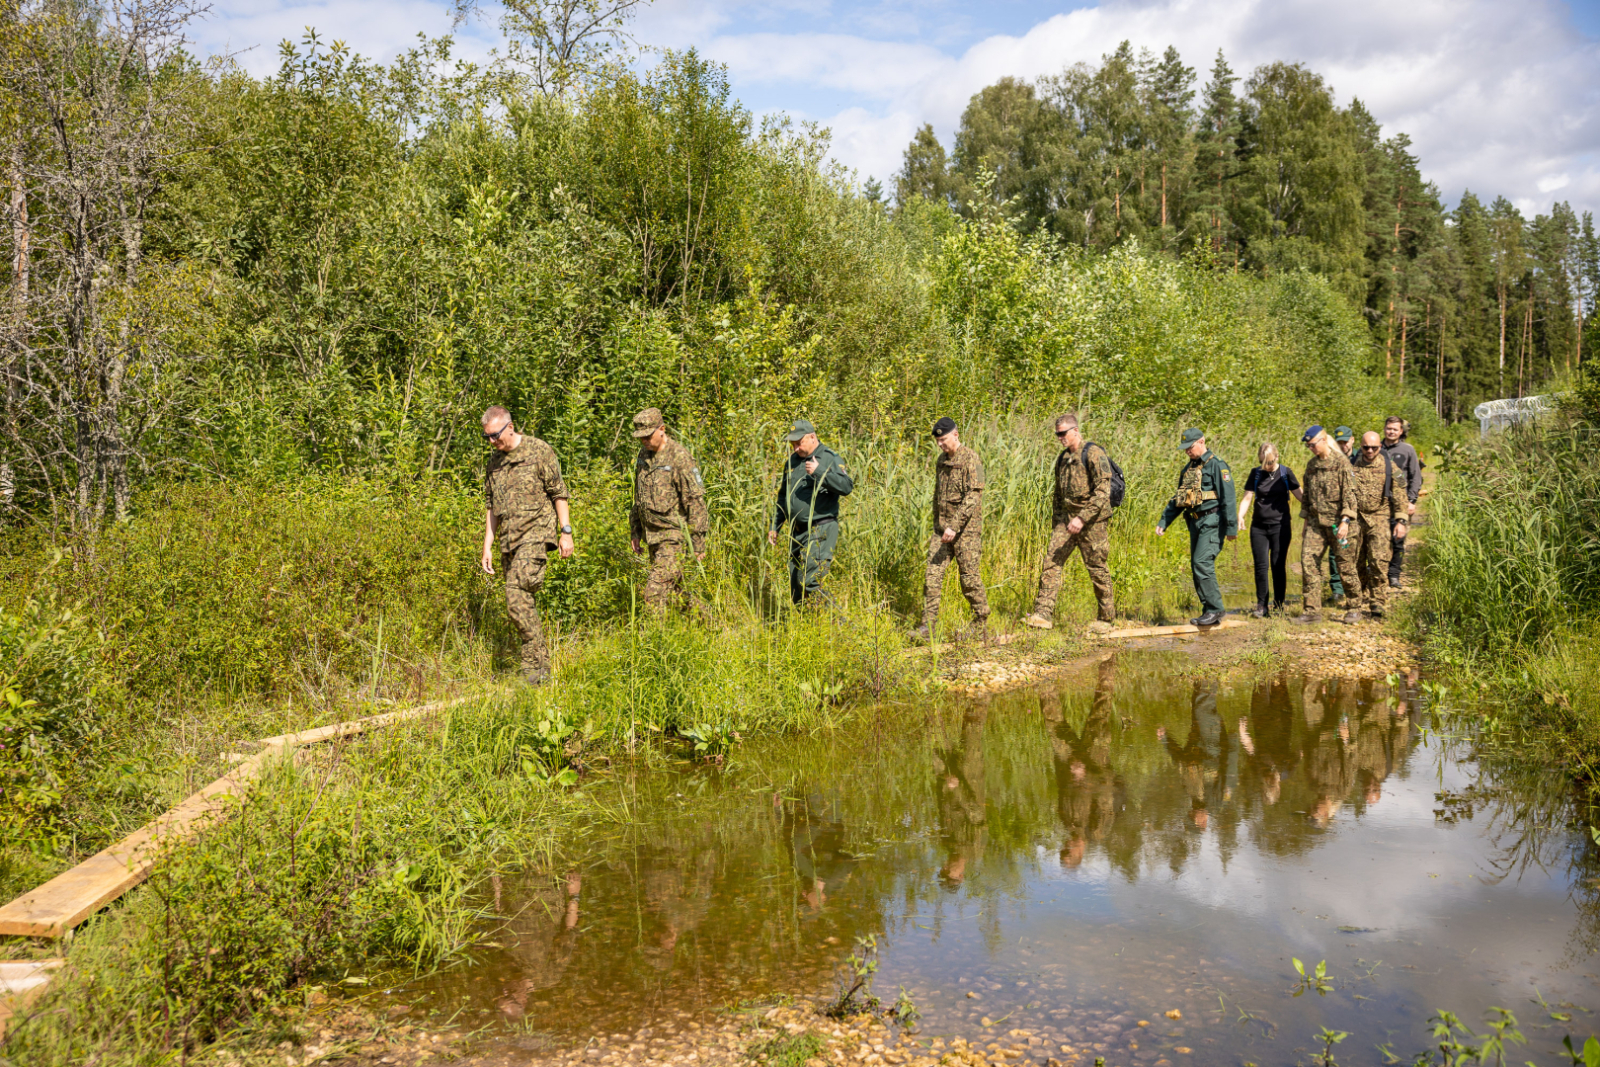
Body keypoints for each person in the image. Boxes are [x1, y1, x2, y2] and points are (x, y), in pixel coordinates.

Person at [479, 406, 574, 685]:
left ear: (510, 427)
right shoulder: (494, 462)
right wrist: (488, 543)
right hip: (509, 540)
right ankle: (541, 669)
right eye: (487, 438)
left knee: (515, 596)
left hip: (536, 535)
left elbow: (559, 493)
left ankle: (535, 671)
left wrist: (565, 531)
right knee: (521, 601)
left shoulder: (538, 450)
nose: (492, 442)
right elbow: (490, 505)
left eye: (495, 436)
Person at [1022, 412, 1115, 633]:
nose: (1060, 437)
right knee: (1052, 561)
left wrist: (1082, 518)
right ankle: (1042, 614)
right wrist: (1058, 522)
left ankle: (1106, 618)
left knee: (1097, 568)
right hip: (1067, 521)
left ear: (1075, 430)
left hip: (1093, 522)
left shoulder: (1093, 453)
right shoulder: (1062, 459)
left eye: (1063, 433)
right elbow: (1058, 494)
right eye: (1057, 434)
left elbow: (1103, 491)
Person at [628, 408, 710, 614]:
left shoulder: (679, 457)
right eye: (641, 438)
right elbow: (639, 496)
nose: (645, 441)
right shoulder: (644, 455)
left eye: (648, 436)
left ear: (662, 429)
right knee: (676, 592)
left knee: (654, 593)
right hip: (653, 537)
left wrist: (698, 541)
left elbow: (695, 501)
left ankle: (657, 642)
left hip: (674, 538)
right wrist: (636, 531)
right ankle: (711, 626)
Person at [916, 417, 989, 641]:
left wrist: (955, 526)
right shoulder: (941, 460)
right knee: (932, 577)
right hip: (942, 530)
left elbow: (974, 496)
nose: (940, 444)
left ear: (956, 435)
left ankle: (981, 621)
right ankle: (928, 628)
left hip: (966, 531)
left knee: (969, 578)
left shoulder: (972, 459)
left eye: (944, 439)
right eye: (938, 441)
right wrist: (939, 525)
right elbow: (938, 496)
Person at [768, 418, 854, 604]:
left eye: (799, 443)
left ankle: (841, 626)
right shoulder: (792, 462)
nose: (796, 448)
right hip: (797, 532)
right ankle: (806, 626)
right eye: (793, 444)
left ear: (812, 437)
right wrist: (775, 525)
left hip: (820, 529)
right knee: (797, 588)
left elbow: (847, 486)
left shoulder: (828, 457)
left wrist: (820, 471)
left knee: (810, 583)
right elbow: (783, 496)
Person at [1157, 428, 1237, 627]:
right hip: (1195, 522)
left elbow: (1228, 497)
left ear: (1202, 442)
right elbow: (1179, 498)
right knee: (1196, 565)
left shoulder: (1217, 466)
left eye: (1190, 447)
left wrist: (1231, 528)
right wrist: (1164, 521)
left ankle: (1215, 609)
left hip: (1212, 521)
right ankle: (1208, 611)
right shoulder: (1188, 470)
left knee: (1202, 563)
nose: (1187, 452)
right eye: (1184, 449)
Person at [1292, 425, 1359, 625]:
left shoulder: (1341, 463)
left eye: (1313, 445)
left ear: (1323, 441)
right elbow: (1307, 499)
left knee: (1345, 566)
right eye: (1308, 446)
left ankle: (1354, 607)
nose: (1311, 448)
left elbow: (1349, 494)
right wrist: (1305, 522)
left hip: (1338, 524)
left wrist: (1345, 521)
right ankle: (1312, 610)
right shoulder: (1311, 465)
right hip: (1315, 524)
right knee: (1309, 563)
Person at [1347, 431, 1408, 621]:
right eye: (1366, 447)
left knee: (1379, 561)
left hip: (1380, 516)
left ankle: (1377, 602)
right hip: (1356, 518)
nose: (1370, 451)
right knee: (1354, 561)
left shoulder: (1390, 466)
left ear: (1380, 447)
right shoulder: (1350, 466)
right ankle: (1355, 603)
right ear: (1361, 447)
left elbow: (1400, 492)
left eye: (1374, 447)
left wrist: (1401, 521)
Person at [1237, 442, 1303, 617]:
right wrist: (1240, 516)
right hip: (1258, 526)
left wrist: (1317, 508)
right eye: (1264, 462)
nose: (1267, 466)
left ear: (1277, 457)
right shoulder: (1256, 474)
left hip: (1280, 526)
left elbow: (1300, 495)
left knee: (1277, 564)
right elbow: (1247, 498)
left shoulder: (1285, 473)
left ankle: (1279, 605)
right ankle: (1261, 606)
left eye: (1270, 462)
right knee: (1260, 565)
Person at [1380, 416, 1422, 589]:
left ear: (1401, 431)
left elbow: (1416, 477)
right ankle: (1376, 573)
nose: (1391, 431)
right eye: (1389, 428)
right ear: (1384, 428)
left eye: (1395, 429)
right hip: (1378, 503)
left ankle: (1394, 575)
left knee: (1398, 539)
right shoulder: (1374, 447)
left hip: (1400, 501)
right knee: (1376, 539)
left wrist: (1411, 501)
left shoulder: (1408, 450)